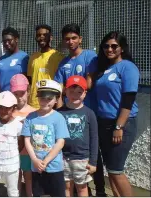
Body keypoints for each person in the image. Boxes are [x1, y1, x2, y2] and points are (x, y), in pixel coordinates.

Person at [88, 31, 139, 197]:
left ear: (122, 48)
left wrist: (119, 126)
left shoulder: (128, 67)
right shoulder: (105, 69)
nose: (109, 49)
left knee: (116, 170)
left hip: (121, 124)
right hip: (104, 123)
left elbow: (128, 100)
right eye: (106, 46)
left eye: (114, 46)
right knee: (110, 170)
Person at [21, 79, 70, 197]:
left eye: (49, 99)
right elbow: (27, 139)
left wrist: (46, 161)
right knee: (38, 193)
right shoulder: (30, 117)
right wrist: (34, 160)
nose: (45, 101)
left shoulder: (58, 118)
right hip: (36, 166)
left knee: (57, 194)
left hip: (54, 166)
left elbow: (60, 142)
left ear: (56, 99)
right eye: (42, 97)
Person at [58, 75, 98, 197]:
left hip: (82, 158)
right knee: (66, 186)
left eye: (79, 92)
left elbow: (94, 138)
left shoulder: (89, 113)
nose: (75, 95)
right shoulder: (59, 113)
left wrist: (93, 162)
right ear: (65, 91)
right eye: (71, 91)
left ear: (85, 93)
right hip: (63, 158)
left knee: (82, 188)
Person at [54, 23, 97, 109]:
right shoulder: (63, 62)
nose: (70, 42)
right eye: (67, 39)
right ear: (63, 41)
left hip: (87, 108)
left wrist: (67, 89)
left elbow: (88, 85)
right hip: (68, 109)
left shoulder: (90, 56)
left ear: (80, 39)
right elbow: (59, 89)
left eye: (74, 38)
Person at [10, 74, 36, 197]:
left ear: (28, 91)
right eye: (16, 94)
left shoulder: (34, 112)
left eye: (22, 93)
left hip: (28, 153)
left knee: (28, 176)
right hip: (13, 152)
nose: (19, 97)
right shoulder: (9, 112)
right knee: (16, 177)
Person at [27, 24, 64, 109]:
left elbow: (61, 83)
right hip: (33, 104)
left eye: (44, 35)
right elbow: (30, 82)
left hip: (50, 104)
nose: (41, 37)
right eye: (38, 35)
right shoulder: (32, 57)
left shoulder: (58, 57)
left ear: (51, 37)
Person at [0, 27, 29, 95]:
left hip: (18, 99)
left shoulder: (24, 57)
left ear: (16, 39)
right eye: (4, 41)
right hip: (3, 100)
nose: (6, 43)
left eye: (9, 40)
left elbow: (27, 80)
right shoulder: (1, 59)